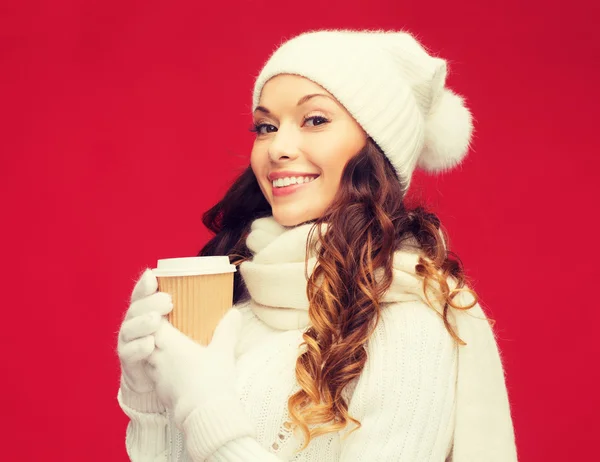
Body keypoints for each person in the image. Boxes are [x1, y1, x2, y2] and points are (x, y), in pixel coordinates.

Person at [116, 29, 518, 461]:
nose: (278, 148)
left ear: (376, 148)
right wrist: (148, 399)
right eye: (266, 127)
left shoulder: (410, 323)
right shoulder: (244, 301)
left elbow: (208, 425)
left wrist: (203, 408)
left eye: (315, 120)